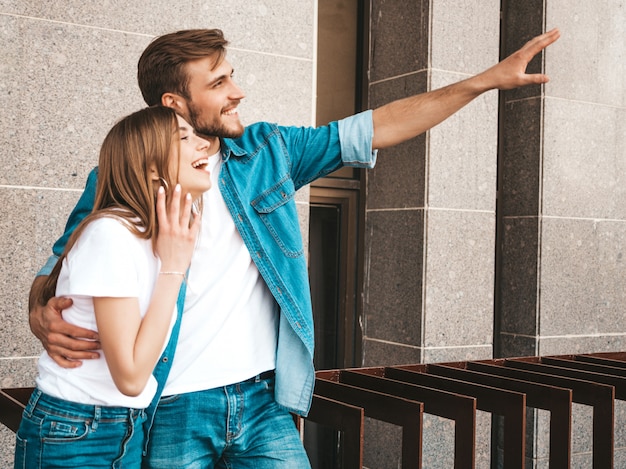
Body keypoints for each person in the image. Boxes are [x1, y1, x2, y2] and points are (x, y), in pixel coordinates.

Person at [27, 27, 561, 468]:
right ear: (176, 103)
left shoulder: (268, 151)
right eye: (218, 83)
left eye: (230, 75)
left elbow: (377, 127)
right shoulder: (120, 176)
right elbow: (60, 272)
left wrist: (482, 83)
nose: (236, 91)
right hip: (170, 406)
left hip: (262, 401)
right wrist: (41, 315)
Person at [15, 106, 210, 468]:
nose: (205, 145)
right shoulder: (111, 235)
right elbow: (131, 377)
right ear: (151, 167)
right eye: (185, 137)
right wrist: (174, 269)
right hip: (74, 434)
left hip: (126, 427)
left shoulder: (153, 238)